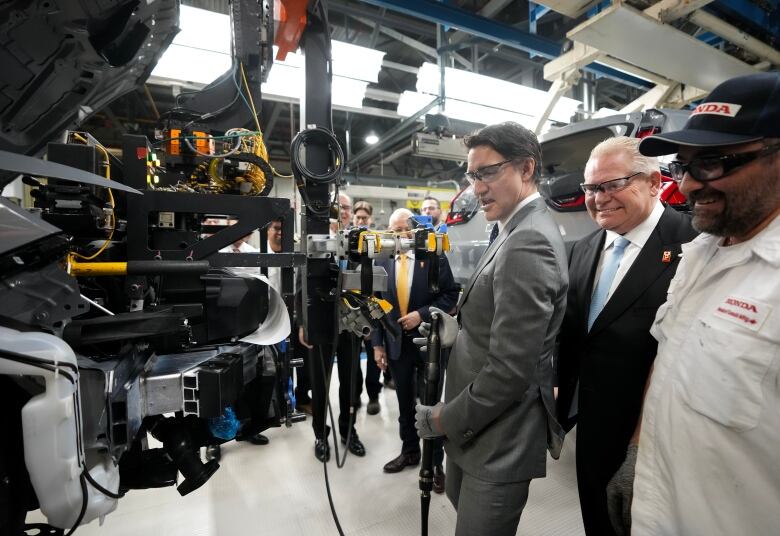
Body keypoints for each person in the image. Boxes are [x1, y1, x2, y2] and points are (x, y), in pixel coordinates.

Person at [607, 72, 780, 536]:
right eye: (683, 166)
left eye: (712, 164)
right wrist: (638, 451)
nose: (684, 187)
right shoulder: (700, 253)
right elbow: (668, 358)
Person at [414, 122, 568, 535]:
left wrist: (444, 418)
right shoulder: (508, 229)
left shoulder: (529, 240)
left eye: (487, 173)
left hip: (498, 439)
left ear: (526, 168)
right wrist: (457, 330)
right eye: (472, 175)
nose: (476, 187)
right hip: (477, 432)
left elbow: (511, 371)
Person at [555, 136, 696, 536]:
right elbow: (574, 333)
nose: (599, 198)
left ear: (654, 182)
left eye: (612, 184)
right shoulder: (583, 249)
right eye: (591, 188)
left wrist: (640, 447)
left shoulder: (693, 245)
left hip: (655, 436)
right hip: (590, 427)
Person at [372, 208, 459, 493]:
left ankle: (435, 465)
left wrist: (421, 314)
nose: (398, 236)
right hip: (396, 344)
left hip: (429, 343)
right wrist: (377, 345)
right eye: (393, 231)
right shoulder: (382, 260)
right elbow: (375, 306)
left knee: (431, 407)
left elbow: (450, 295)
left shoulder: (432, 255)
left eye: (403, 230)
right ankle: (410, 451)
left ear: (413, 230)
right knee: (405, 404)